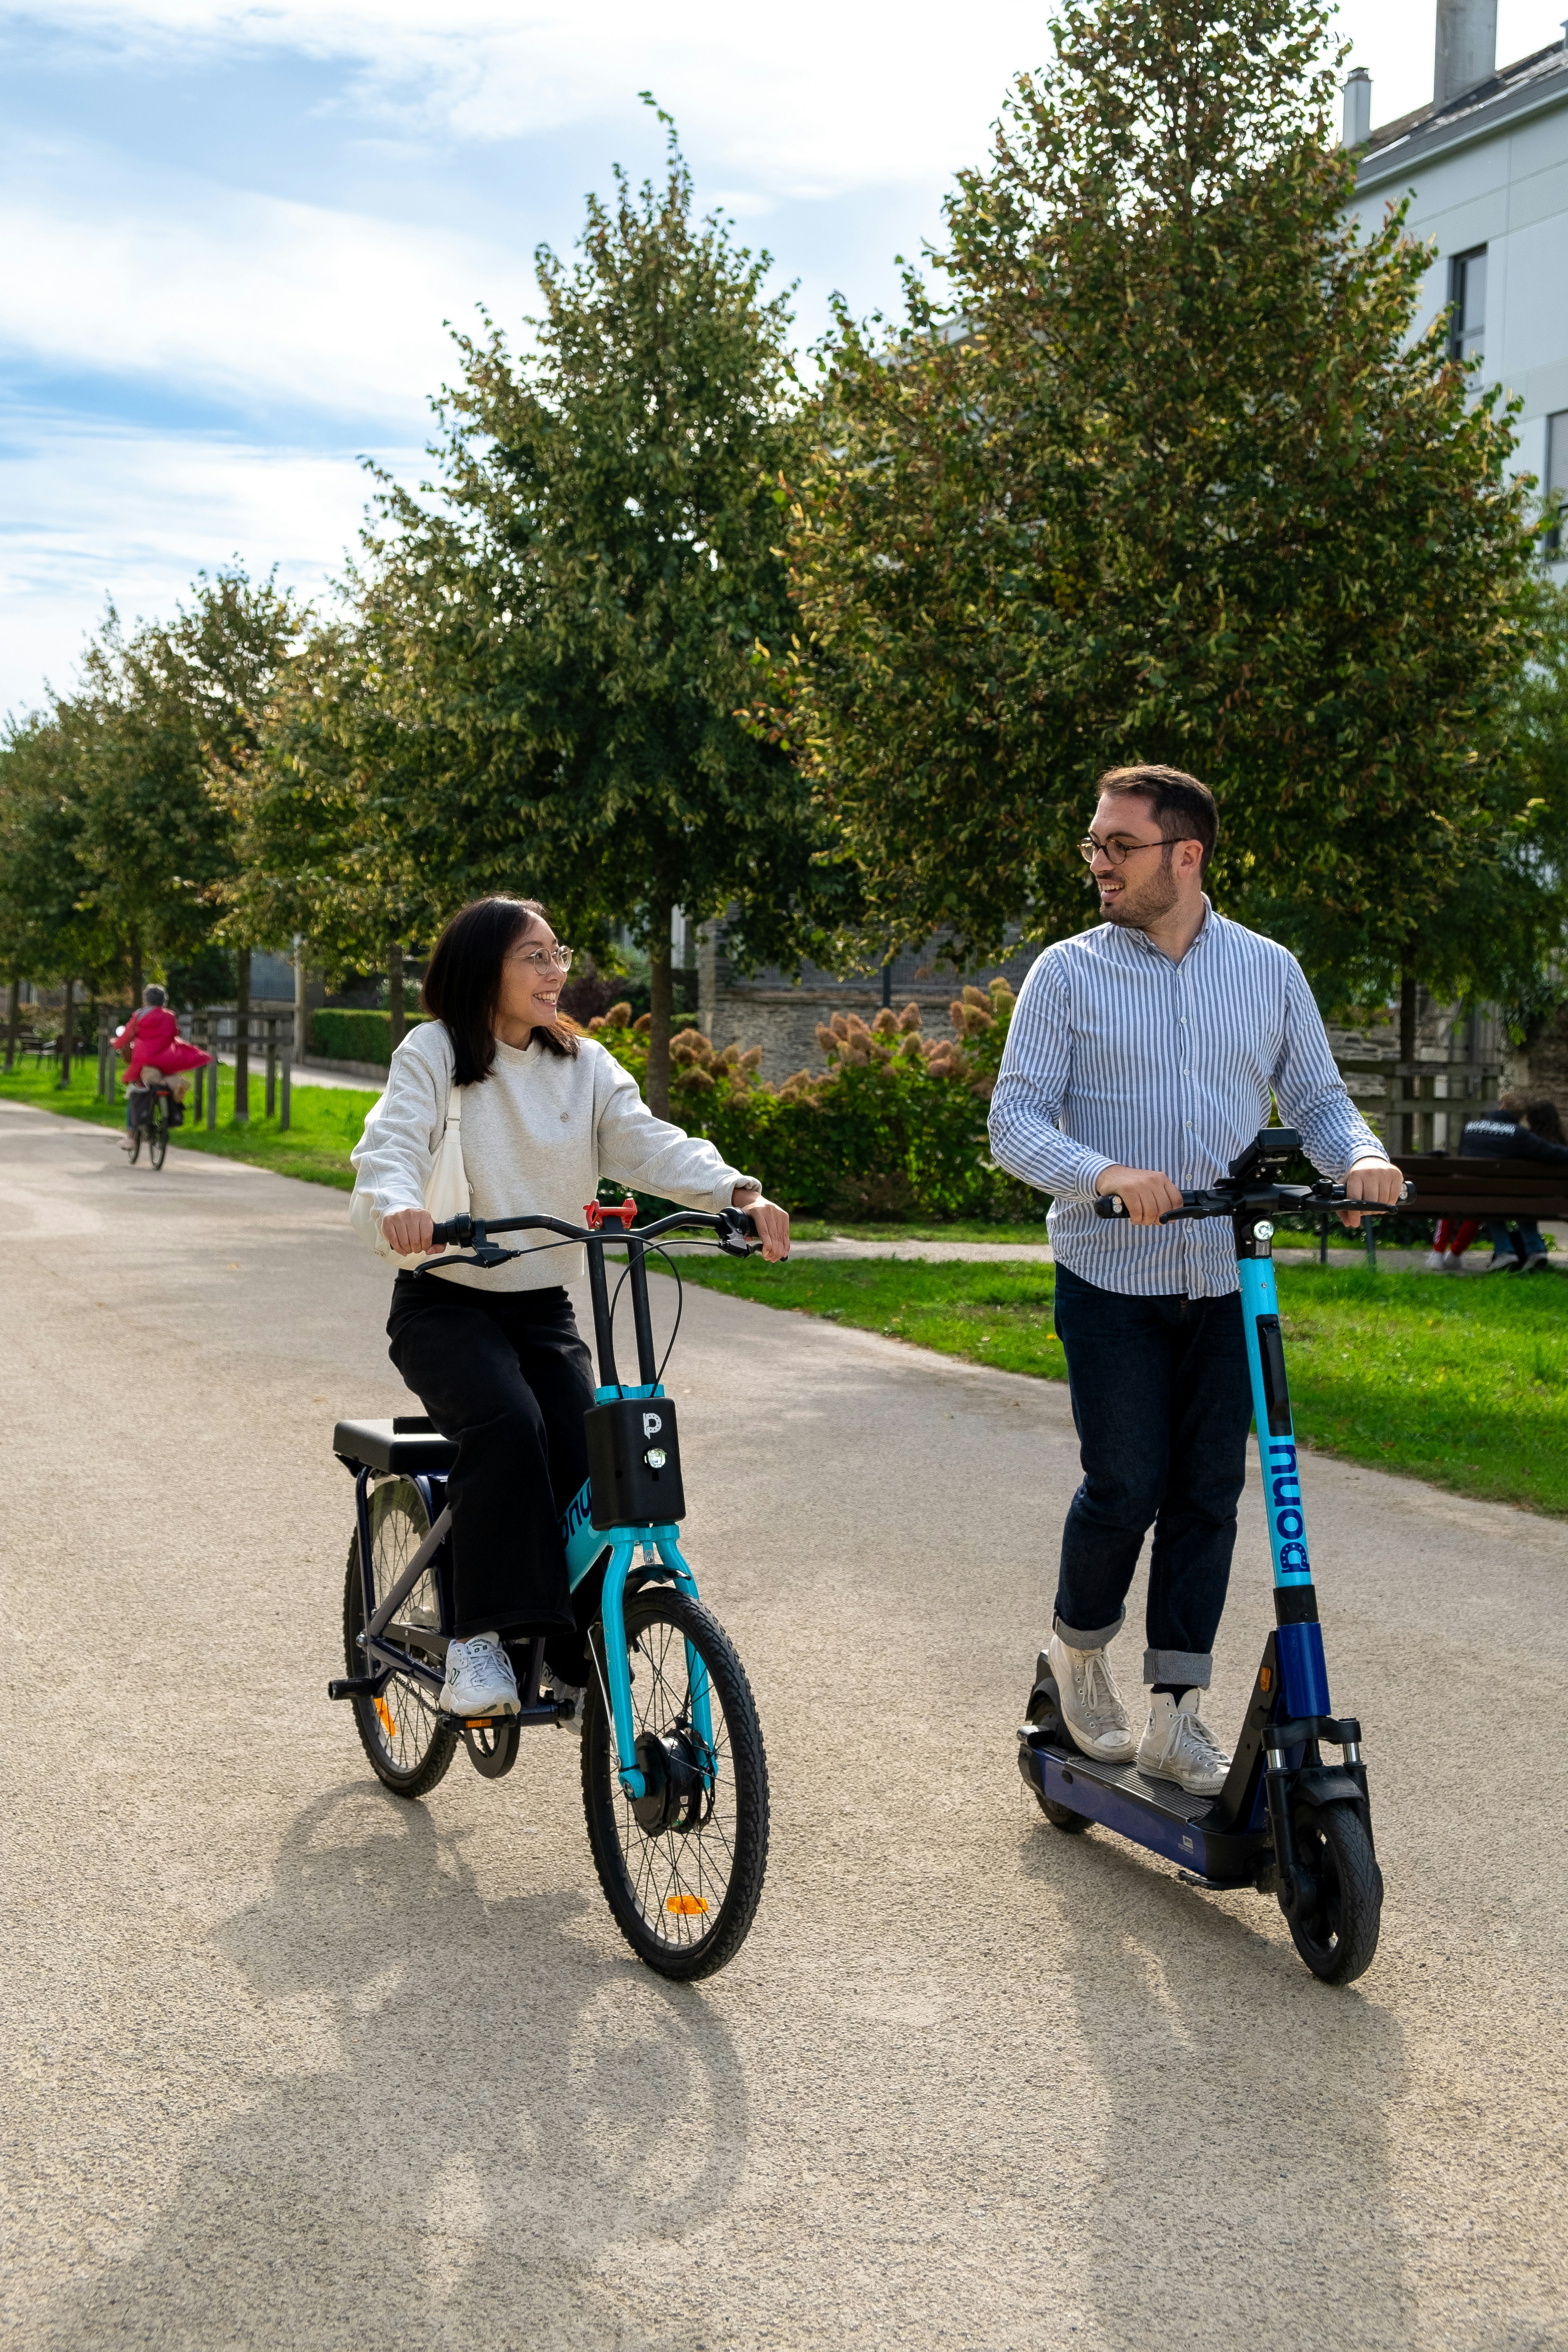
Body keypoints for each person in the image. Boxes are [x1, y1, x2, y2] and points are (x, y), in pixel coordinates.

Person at [988, 765, 1401, 1796]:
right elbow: (1014, 1121)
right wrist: (1104, 1174)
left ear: (1186, 855)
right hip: (1110, 1276)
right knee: (1125, 1485)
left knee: (1209, 1495)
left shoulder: (1268, 970)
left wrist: (1360, 1157)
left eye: (1118, 846)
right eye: (1093, 845)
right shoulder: (1065, 974)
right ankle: (1079, 1659)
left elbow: (1318, 1099)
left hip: (1226, 1272)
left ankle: (1177, 1712)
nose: (1099, 863)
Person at [350, 895, 790, 1723]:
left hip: (541, 1305)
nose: (556, 972)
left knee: (595, 1453)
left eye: (559, 954)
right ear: (485, 968)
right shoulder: (434, 1052)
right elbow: (393, 1142)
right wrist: (398, 1204)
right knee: (508, 1425)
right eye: (536, 956)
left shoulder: (583, 1065)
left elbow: (646, 1141)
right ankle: (477, 1640)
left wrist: (736, 1192)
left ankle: (572, 1649)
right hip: (444, 1302)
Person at [1458, 1092, 1568, 1273]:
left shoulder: (1470, 1128)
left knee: (1489, 1199)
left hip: (1475, 1193)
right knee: (1518, 1197)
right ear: (1523, 1116)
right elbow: (1553, 1153)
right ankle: (1536, 1250)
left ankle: (1504, 1252)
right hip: (1512, 1196)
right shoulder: (1519, 1135)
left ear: (1502, 1106)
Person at [115, 985, 212, 1151]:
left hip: (145, 1060)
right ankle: (171, 1093)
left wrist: (116, 1044)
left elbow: (127, 1035)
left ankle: (131, 1137)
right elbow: (175, 1033)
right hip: (167, 1059)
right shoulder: (170, 1016)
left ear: (145, 1001)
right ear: (164, 1002)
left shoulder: (139, 1015)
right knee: (167, 1077)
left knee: (135, 1092)